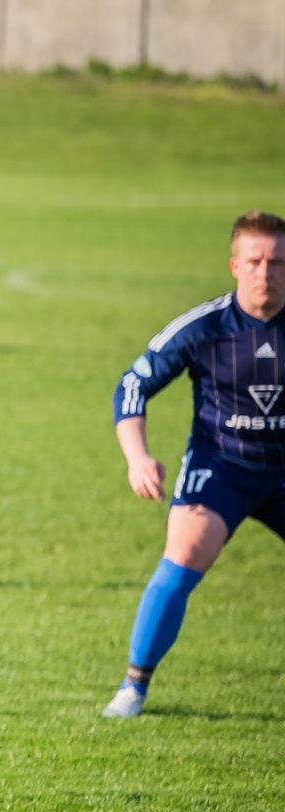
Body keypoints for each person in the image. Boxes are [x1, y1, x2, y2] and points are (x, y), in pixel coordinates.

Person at [104, 210, 285, 718]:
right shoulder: (205, 327)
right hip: (223, 464)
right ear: (235, 265)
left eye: (277, 261)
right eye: (255, 260)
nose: (265, 272)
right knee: (185, 550)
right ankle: (133, 689)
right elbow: (132, 386)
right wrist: (137, 457)